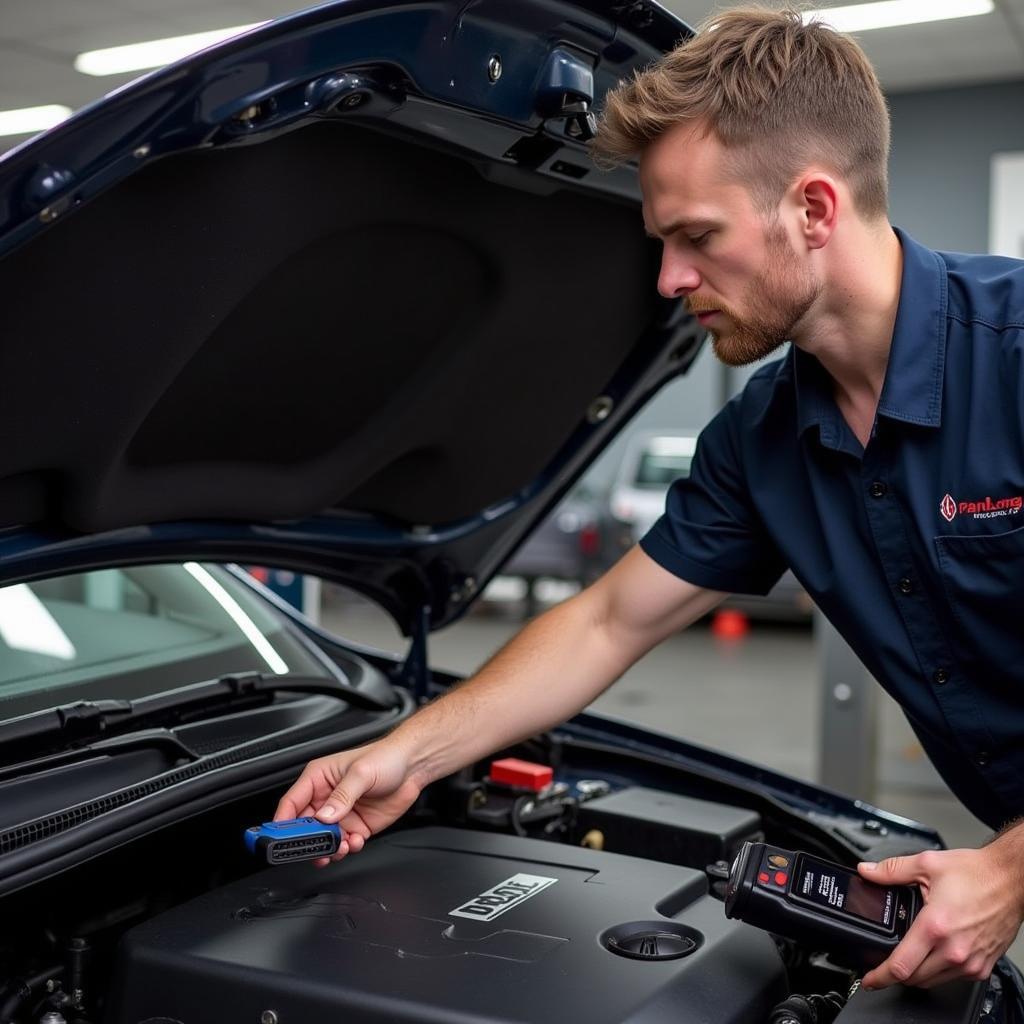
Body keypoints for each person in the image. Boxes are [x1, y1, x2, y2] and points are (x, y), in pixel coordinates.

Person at [277, 6, 1024, 992]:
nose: (670, 279)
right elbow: (603, 622)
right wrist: (405, 756)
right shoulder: (762, 438)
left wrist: (1009, 870)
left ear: (812, 209)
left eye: (696, 237)